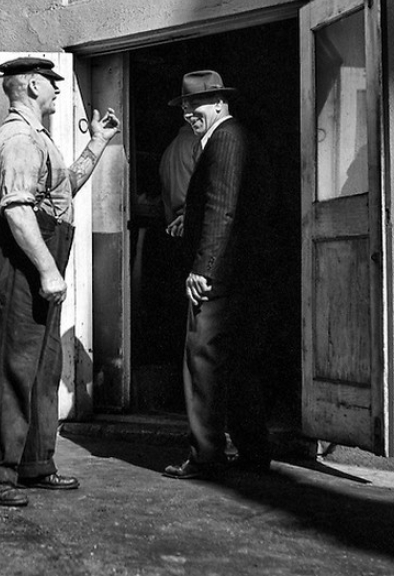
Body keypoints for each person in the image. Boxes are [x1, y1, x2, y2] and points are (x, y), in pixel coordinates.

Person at [0, 57, 120, 507]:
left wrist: (97, 144)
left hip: (35, 259)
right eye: (53, 84)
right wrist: (48, 270)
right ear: (34, 85)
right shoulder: (17, 138)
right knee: (9, 365)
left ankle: (36, 461)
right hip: (18, 262)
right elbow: (17, 210)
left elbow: (61, 190)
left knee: (41, 366)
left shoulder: (39, 139)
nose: (57, 91)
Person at [163, 70, 277, 480]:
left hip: (221, 276)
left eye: (197, 104)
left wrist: (202, 270)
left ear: (219, 102)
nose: (190, 112)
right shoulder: (225, 138)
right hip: (240, 273)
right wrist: (187, 222)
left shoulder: (225, 138)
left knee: (203, 359)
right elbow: (226, 206)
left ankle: (207, 455)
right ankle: (253, 452)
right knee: (238, 363)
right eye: (186, 106)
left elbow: (223, 208)